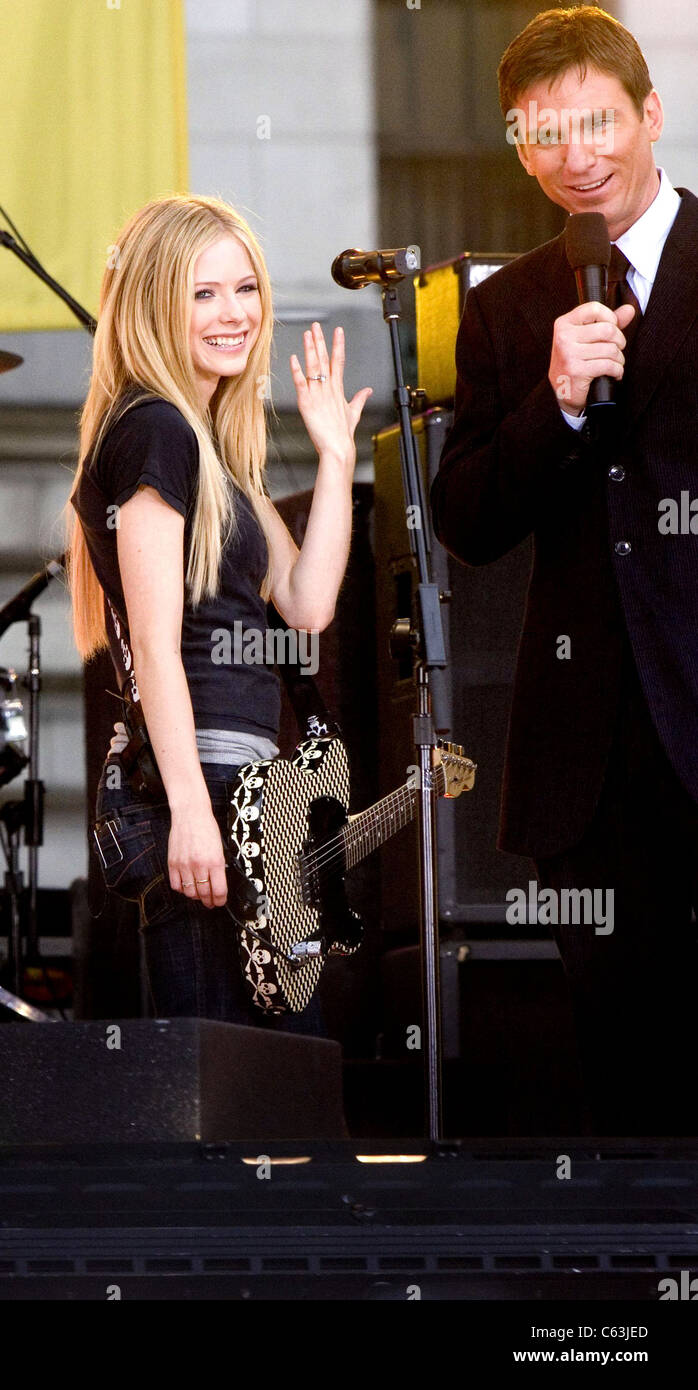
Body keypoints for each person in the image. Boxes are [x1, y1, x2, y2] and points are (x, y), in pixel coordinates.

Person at [431, 7, 698, 1135]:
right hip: (589, 747)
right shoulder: (498, 307)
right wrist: (550, 403)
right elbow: (467, 519)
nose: (571, 154)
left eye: (593, 122)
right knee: (625, 1071)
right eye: (539, 134)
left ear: (647, 113)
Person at [67, 195, 371, 1031]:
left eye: (246, 289)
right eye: (204, 294)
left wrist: (336, 461)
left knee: (269, 1071)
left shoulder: (211, 448)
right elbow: (157, 650)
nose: (234, 313)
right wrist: (192, 809)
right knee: (226, 1079)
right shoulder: (155, 430)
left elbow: (307, 604)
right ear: (155, 304)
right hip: (196, 787)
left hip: (243, 787)